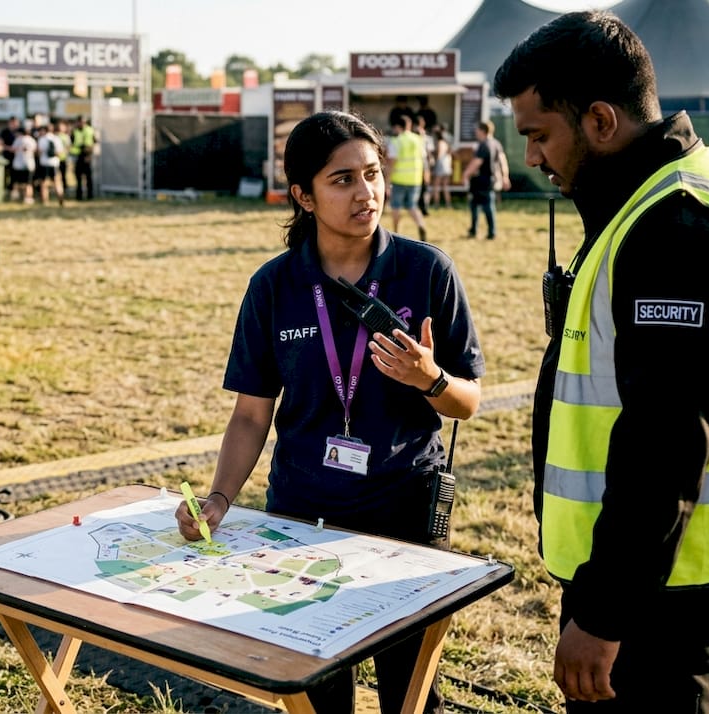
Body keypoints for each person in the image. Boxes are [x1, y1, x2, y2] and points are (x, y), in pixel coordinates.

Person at [493, 11, 709, 712]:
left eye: (538, 134)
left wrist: (604, 613)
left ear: (599, 120)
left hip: (661, 592)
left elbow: (666, 439)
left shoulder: (676, 227)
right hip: (653, 575)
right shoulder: (645, 200)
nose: (530, 157)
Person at [176, 110, 484, 714]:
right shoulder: (275, 285)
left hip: (404, 511)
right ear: (303, 196)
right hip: (302, 516)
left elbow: (467, 402)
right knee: (317, 690)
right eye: (342, 180)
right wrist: (219, 498)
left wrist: (431, 379)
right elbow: (249, 414)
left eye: (372, 174)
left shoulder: (426, 271)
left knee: (411, 692)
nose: (365, 193)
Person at [462, 121, 510, 240]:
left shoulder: (484, 145)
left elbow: (476, 163)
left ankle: (480, 231)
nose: (475, 131)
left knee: (478, 206)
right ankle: (487, 231)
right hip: (491, 180)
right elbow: (503, 161)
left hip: (481, 181)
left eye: (477, 129)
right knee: (485, 206)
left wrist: (466, 174)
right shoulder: (496, 143)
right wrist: (505, 177)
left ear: (483, 131)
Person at [386, 115, 428, 241]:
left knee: (396, 206)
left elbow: (392, 162)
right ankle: (421, 224)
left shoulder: (396, 141)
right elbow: (423, 158)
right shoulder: (419, 140)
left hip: (399, 179)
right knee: (412, 206)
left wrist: (387, 181)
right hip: (415, 179)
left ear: (398, 127)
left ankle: (396, 232)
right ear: (408, 126)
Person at [70, 115, 96, 201]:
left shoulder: (90, 130)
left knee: (88, 177)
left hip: (87, 155)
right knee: (78, 177)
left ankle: (90, 195)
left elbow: (94, 141)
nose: (81, 124)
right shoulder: (74, 131)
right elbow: (72, 143)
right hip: (78, 156)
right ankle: (79, 195)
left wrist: (90, 152)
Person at [429, 124, 453, 209]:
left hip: (440, 166)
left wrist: (432, 158)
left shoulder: (440, 143)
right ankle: (448, 204)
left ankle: (436, 204)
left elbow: (438, 155)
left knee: (436, 186)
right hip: (447, 167)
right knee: (445, 187)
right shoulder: (446, 143)